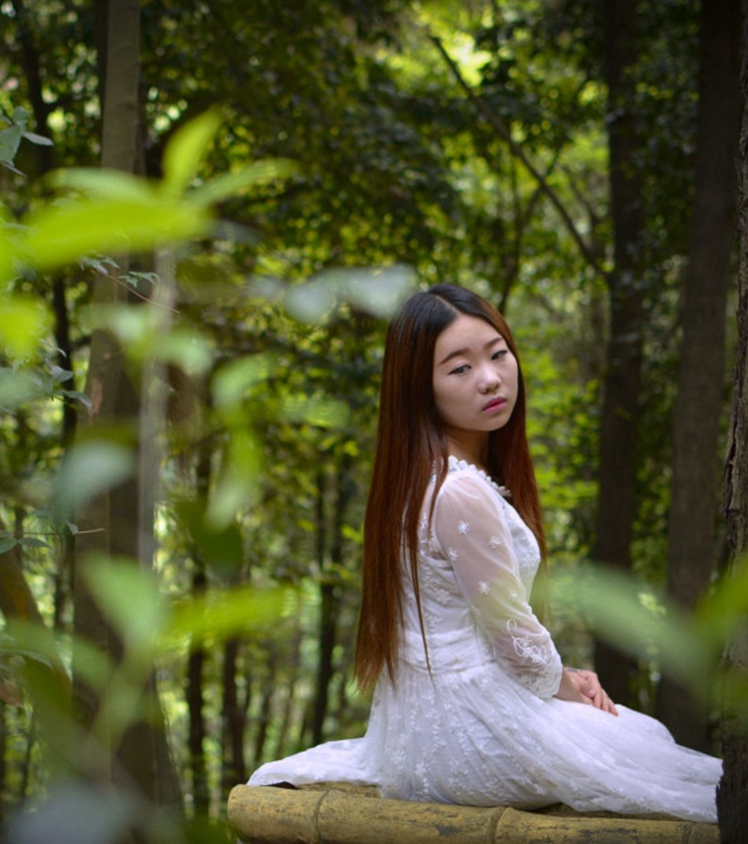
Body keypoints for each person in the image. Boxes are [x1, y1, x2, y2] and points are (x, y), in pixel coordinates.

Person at [248, 285, 722, 823]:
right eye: (459, 369)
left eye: (498, 354)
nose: (491, 377)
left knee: (643, 745)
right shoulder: (457, 490)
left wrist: (564, 677)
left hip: (430, 727)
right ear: (419, 390)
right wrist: (570, 683)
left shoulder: (423, 480)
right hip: (465, 737)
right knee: (652, 754)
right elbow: (516, 643)